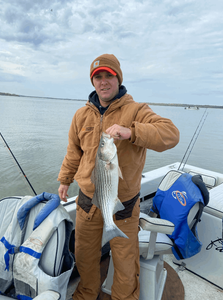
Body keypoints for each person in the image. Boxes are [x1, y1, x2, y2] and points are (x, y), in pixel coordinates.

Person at [57, 54, 180, 300]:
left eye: (108, 76)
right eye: (97, 77)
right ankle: (86, 293)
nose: (103, 82)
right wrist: (64, 179)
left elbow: (170, 134)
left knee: (125, 261)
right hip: (87, 201)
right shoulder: (81, 115)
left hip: (123, 204)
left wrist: (131, 131)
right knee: (84, 255)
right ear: (93, 82)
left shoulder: (137, 110)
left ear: (118, 78)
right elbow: (74, 151)